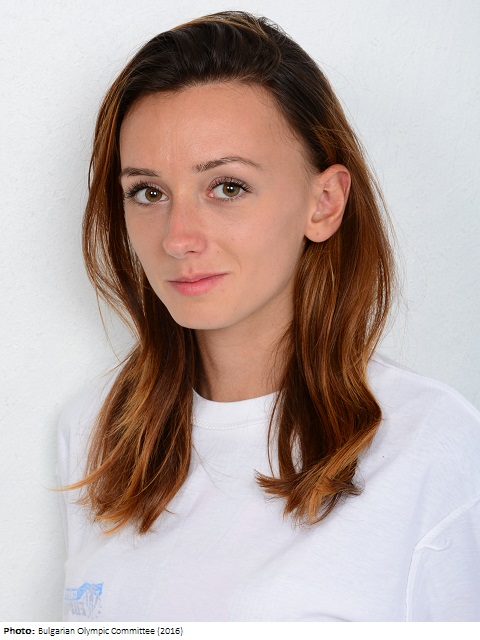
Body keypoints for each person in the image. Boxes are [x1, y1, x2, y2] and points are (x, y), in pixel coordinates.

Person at [58, 11, 480, 622]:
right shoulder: (98, 433)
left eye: (227, 187)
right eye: (148, 192)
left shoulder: (436, 448)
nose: (177, 237)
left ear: (324, 203)